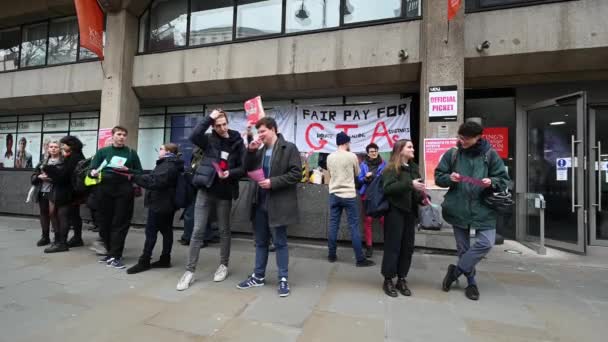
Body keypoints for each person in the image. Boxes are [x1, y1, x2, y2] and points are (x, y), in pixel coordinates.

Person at [435, 121, 510, 301]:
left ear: (478, 138)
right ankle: (471, 283)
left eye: (466, 138)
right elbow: (438, 177)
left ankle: (455, 271)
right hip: (458, 207)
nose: (462, 141)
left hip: (484, 208)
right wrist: (449, 178)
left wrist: (492, 182)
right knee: (463, 248)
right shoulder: (452, 154)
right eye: (460, 137)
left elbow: (503, 179)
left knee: (486, 243)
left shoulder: (490, 155)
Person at [176, 109, 246, 290]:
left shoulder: (237, 140)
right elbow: (193, 135)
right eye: (218, 125)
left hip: (225, 192)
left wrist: (231, 173)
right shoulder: (208, 139)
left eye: (224, 124)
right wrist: (209, 118)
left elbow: (244, 167)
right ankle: (189, 271)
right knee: (197, 231)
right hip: (206, 189)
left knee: (224, 230)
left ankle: (223, 265)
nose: (222, 128)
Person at [236, 117, 301, 297]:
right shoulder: (260, 149)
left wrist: (273, 182)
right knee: (260, 242)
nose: (260, 135)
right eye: (259, 132)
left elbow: (296, 174)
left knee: (280, 242)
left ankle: (283, 279)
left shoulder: (289, 148)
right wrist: (250, 150)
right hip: (259, 202)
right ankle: (258, 276)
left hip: (278, 203)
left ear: (273, 129)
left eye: (263, 131)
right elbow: (246, 168)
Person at [89, 126, 143, 269]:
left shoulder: (131, 153)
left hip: (124, 190)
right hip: (104, 189)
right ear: (112, 136)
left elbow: (140, 172)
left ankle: (116, 255)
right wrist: (93, 172)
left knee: (120, 223)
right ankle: (110, 252)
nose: (122, 137)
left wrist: (128, 170)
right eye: (119, 134)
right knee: (104, 223)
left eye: (124, 135)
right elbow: (91, 169)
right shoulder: (102, 152)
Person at [127, 143, 184, 274]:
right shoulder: (171, 163)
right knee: (166, 231)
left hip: (160, 204)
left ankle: (144, 261)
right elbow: (155, 178)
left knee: (151, 232)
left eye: (161, 149)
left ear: (168, 151)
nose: (159, 151)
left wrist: (134, 177)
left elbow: (155, 182)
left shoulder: (168, 165)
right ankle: (165, 259)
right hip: (167, 203)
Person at [381, 139, 426, 297]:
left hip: (410, 213)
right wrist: (410, 185)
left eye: (413, 146)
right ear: (400, 150)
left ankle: (401, 278)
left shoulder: (414, 168)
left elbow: (416, 189)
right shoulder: (391, 168)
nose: (413, 149)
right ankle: (388, 279)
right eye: (409, 147)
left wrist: (421, 198)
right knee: (393, 247)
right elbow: (388, 188)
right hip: (395, 212)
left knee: (407, 248)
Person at [326, 132, 375, 267]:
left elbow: (330, 172)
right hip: (349, 194)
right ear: (347, 142)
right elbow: (358, 174)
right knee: (353, 226)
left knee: (333, 225)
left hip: (334, 194)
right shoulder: (352, 156)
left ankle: (331, 255)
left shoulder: (329, 157)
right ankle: (360, 259)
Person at [41, 136, 85, 253]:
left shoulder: (73, 157)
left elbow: (63, 177)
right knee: (73, 215)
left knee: (62, 216)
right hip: (73, 191)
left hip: (66, 191)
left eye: (63, 144)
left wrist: (48, 169)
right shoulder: (77, 155)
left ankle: (61, 243)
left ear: (70, 144)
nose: (61, 147)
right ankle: (76, 239)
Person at [357, 143, 386, 257]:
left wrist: (375, 177)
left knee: (383, 220)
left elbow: (386, 178)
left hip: (379, 195)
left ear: (378, 151)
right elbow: (359, 180)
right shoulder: (363, 164)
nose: (373, 153)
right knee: (368, 220)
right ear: (368, 153)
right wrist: (365, 178)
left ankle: (388, 243)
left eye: (375, 151)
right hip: (367, 195)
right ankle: (369, 247)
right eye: (371, 152)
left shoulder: (384, 164)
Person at [30, 141, 61, 247]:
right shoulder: (43, 162)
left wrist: (50, 178)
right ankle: (45, 237)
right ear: (48, 149)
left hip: (55, 191)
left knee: (53, 214)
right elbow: (33, 176)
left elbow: (63, 178)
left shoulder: (62, 162)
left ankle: (57, 238)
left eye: (56, 147)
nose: (53, 149)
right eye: (51, 147)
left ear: (59, 149)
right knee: (43, 213)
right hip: (42, 190)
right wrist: (39, 177)